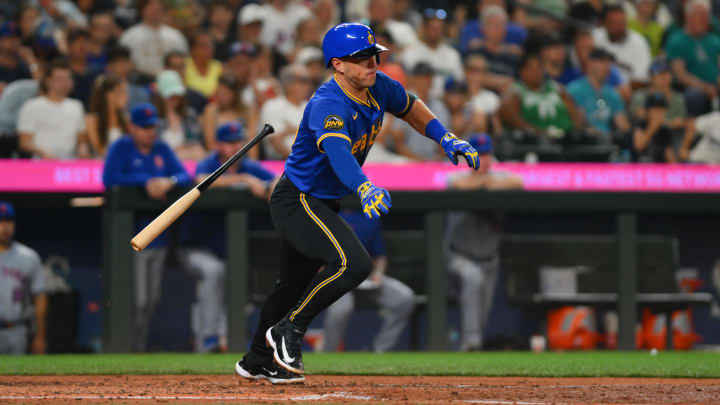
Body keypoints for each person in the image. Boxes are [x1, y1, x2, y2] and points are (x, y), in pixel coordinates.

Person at [234, 23, 479, 384]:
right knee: (354, 263)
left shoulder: (377, 86)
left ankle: (256, 360)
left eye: (373, 55)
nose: (372, 63)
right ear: (338, 65)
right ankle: (290, 330)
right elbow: (338, 152)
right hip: (297, 199)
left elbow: (411, 107)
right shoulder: (327, 103)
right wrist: (363, 187)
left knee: (290, 286)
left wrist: (446, 137)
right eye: (361, 58)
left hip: (321, 200)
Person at [102, 102, 191, 352]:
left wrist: (167, 181)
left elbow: (184, 175)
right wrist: (146, 181)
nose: (148, 132)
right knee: (136, 299)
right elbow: (109, 179)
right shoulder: (121, 146)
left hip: (158, 237)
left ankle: (137, 346)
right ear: (131, 127)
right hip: (129, 236)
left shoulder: (161, 148)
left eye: (152, 127)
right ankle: (126, 346)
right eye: (143, 127)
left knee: (151, 299)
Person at [182, 121, 277, 352]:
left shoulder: (249, 166)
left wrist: (273, 185)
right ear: (217, 145)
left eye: (238, 141)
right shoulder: (209, 163)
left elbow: (280, 177)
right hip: (197, 247)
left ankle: (231, 339)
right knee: (214, 271)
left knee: (238, 277)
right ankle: (208, 339)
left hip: (231, 250)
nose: (235, 147)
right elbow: (200, 180)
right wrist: (244, 180)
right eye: (229, 143)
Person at [444, 133, 523, 351]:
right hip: (458, 256)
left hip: (489, 257)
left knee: (483, 312)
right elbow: (458, 185)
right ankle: (471, 342)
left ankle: (472, 345)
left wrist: (488, 182)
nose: (483, 159)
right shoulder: (456, 178)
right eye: (478, 155)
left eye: (486, 154)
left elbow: (519, 182)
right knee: (473, 278)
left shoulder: (499, 177)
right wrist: (485, 183)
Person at [322, 210, 415, 353]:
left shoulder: (369, 218)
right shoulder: (324, 214)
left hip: (365, 278)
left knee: (405, 298)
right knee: (342, 307)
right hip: (336, 279)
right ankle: (328, 353)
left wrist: (378, 273)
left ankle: (380, 351)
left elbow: (379, 255)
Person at [0, 201, 48, 355]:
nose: (5, 226)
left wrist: (40, 336)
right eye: (0, 221)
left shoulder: (28, 256)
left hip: (16, 330)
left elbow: (40, 296)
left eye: (9, 221)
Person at [501, 53, 580, 140]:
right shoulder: (516, 91)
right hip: (536, 140)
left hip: (567, 138)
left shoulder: (556, 88)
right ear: (522, 71)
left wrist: (576, 130)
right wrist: (536, 132)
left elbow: (574, 113)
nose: (537, 72)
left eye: (539, 67)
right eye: (532, 68)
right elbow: (508, 114)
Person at [17, 59, 86, 159]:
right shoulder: (32, 106)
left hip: (69, 163)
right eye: (60, 79)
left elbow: (80, 140)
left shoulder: (77, 106)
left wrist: (82, 149)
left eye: (68, 78)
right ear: (48, 81)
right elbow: (24, 142)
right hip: (41, 162)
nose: (65, 83)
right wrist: (42, 151)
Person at [666, 0, 720, 116]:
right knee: (694, 95)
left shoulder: (714, 40)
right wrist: (705, 87)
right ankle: (694, 129)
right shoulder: (676, 41)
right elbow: (680, 75)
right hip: (692, 86)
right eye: (700, 15)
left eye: (706, 16)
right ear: (688, 17)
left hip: (715, 85)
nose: (705, 20)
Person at [399, 8, 464, 98]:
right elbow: (404, 82)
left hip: (445, 103)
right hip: (417, 101)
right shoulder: (410, 53)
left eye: (438, 28)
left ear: (444, 30)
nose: (435, 32)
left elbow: (459, 82)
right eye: (432, 28)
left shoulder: (452, 55)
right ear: (424, 28)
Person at [567, 48, 630, 139]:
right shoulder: (574, 90)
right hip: (582, 143)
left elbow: (624, 127)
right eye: (602, 62)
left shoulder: (613, 93)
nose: (606, 66)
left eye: (608, 63)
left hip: (608, 142)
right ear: (589, 63)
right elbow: (574, 123)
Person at [118, 0, 188, 78]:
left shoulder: (176, 36)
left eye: (158, 5)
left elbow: (184, 63)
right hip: (140, 82)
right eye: (150, 5)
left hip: (172, 82)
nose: (155, 9)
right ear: (142, 9)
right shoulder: (129, 37)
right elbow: (122, 64)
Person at [260, 65, 313, 159]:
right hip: (281, 162)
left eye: (309, 81)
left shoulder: (311, 106)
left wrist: (290, 130)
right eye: (303, 81)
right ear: (288, 84)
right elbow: (275, 142)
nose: (308, 85)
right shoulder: (273, 106)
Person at [592, 4, 652, 83]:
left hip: (630, 90)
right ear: (605, 24)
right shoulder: (594, 37)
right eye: (613, 23)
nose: (618, 27)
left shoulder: (639, 42)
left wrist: (622, 89)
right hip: (598, 87)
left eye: (621, 22)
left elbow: (642, 78)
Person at [154, 69, 205, 160]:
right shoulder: (154, 117)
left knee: (199, 151)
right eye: (171, 96)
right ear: (160, 96)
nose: (175, 99)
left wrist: (176, 151)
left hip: (189, 162)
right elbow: (154, 150)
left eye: (177, 95)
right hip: (163, 164)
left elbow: (196, 144)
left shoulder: (189, 114)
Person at [202, 75, 257, 152]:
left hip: (242, 156)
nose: (222, 96)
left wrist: (252, 162)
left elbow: (252, 142)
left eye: (226, 93)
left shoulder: (247, 111)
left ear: (235, 94)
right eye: (220, 92)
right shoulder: (211, 110)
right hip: (220, 158)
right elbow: (210, 143)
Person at [86, 74, 129, 156]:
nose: (126, 97)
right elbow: (99, 150)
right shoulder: (92, 120)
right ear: (109, 95)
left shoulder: (127, 119)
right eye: (121, 92)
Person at [631, 91, 677, 162]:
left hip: (658, 166)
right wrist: (652, 127)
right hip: (639, 165)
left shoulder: (665, 129)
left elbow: (668, 153)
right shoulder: (641, 124)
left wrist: (675, 170)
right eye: (656, 109)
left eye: (662, 110)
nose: (659, 113)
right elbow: (639, 146)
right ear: (648, 111)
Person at [66, 28, 101, 109]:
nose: (82, 45)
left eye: (86, 41)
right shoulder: (61, 72)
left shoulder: (98, 72)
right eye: (77, 41)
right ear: (68, 46)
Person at [184, 31, 223, 98]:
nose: (207, 49)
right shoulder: (183, 65)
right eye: (203, 45)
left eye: (210, 45)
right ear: (192, 48)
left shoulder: (219, 67)